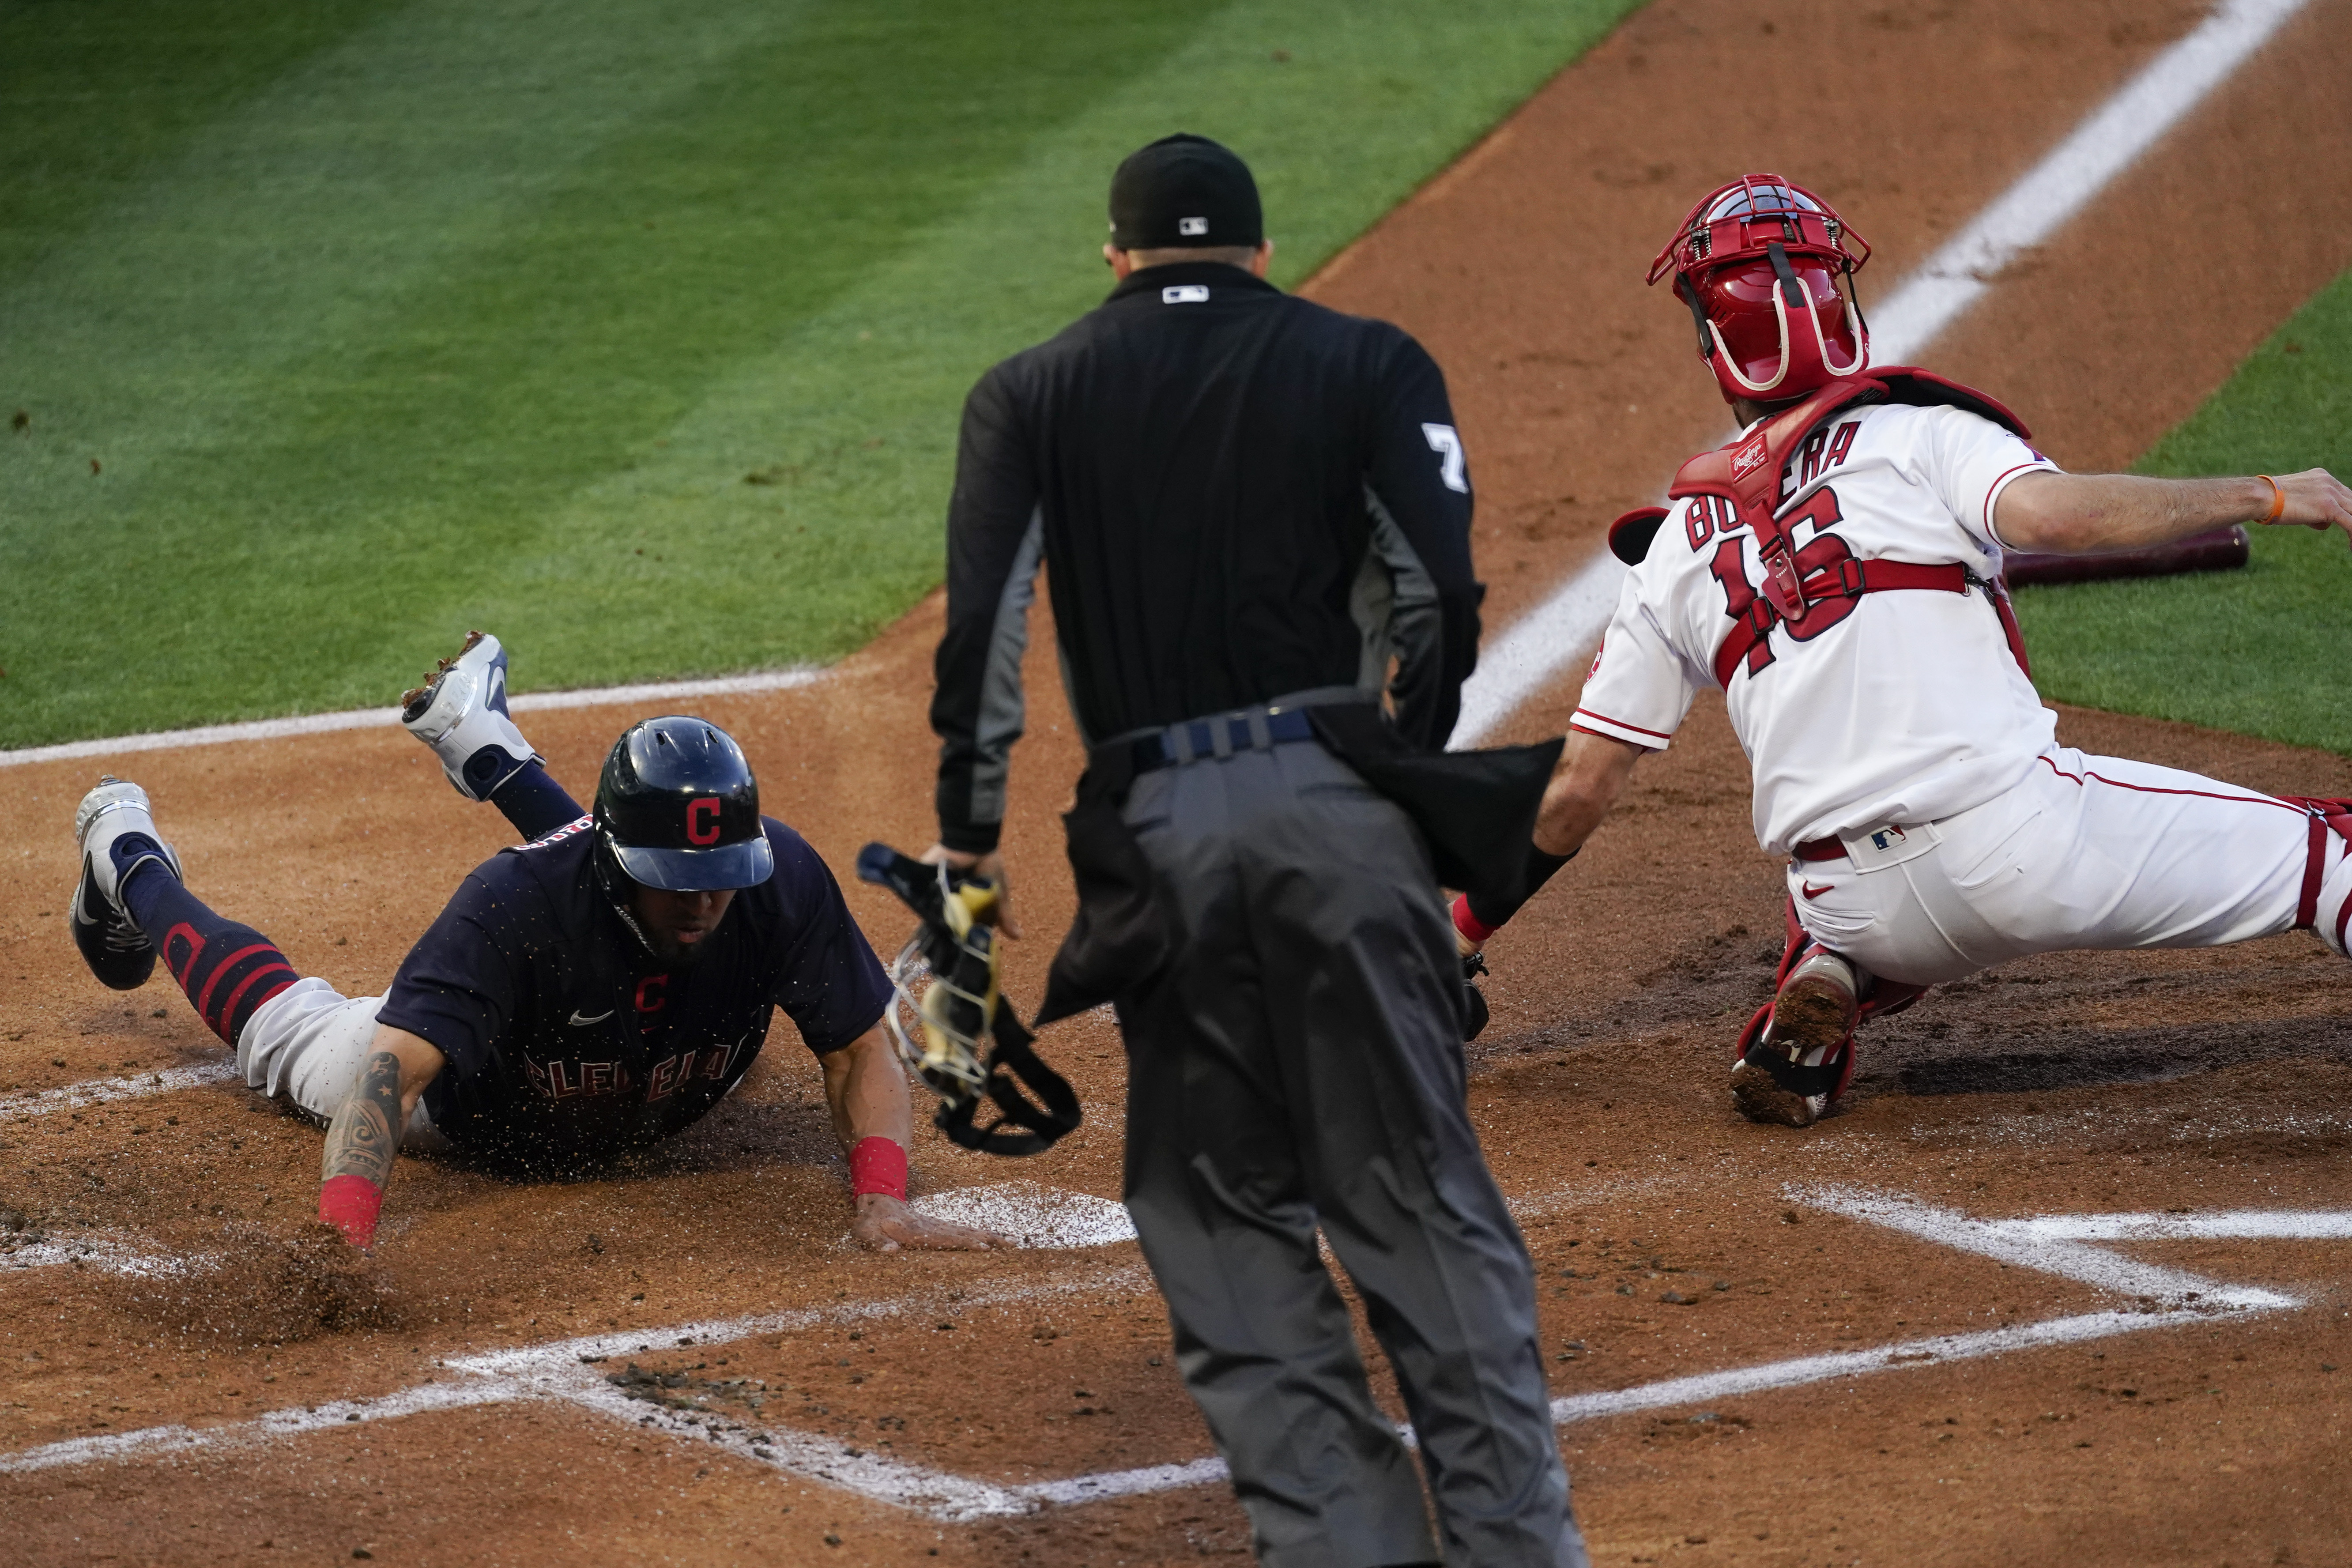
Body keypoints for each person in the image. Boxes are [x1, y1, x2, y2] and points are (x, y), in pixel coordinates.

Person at [924, 133, 1589, 1568]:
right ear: (1260, 252)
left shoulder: (1028, 392)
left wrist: (968, 876)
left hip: (1153, 846)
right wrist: (1396, 779)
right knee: (1416, 1201)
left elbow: (980, 646)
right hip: (1336, 806)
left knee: (1212, 1212)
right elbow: (1442, 599)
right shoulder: (1363, 361)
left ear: (1114, 259)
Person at [1451, 173, 2352, 1129]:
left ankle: (1830, 977)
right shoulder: (1922, 438)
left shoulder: (1673, 549)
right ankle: (1836, 973)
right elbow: (2056, 515)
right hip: (2023, 847)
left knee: (1838, 846)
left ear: (1714, 343)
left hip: (1848, 896)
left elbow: (1577, 791)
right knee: (2331, 851)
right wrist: (2265, 491)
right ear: (1844, 309)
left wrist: (1456, 931)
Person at [65, 632, 998, 1252]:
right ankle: (129, 861)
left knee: (616, 908)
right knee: (283, 1035)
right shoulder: (508, 907)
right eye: (676, 881)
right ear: (622, 858)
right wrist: (343, 1238)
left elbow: (858, 1046)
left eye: (721, 880)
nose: (704, 904)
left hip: (619, 1053)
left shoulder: (772, 878)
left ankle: (480, 738)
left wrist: (883, 1198)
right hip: (470, 1121)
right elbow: (392, 1075)